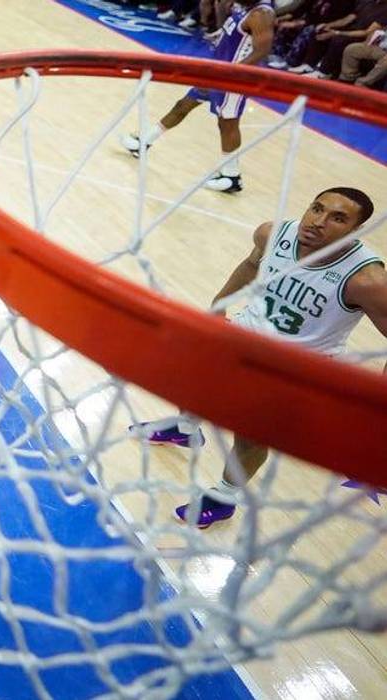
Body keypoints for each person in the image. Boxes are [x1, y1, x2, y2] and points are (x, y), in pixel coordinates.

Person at [133, 188, 387, 528]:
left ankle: (224, 497)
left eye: (337, 218)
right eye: (317, 208)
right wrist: (220, 303)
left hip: (293, 370)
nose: (318, 222)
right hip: (242, 337)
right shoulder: (274, 233)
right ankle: (184, 429)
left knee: (250, 436)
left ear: (355, 231)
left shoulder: (366, 280)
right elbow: (253, 263)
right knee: (190, 382)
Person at [120, 1, 275, 194]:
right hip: (218, 72)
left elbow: (262, 51)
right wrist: (220, 10)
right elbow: (225, 33)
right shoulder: (241, 7)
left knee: (227, 124)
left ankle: (231, 176)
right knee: (183, 105)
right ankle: (145, 142)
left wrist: (226, 75)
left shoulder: (261, 14)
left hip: (233, 80)